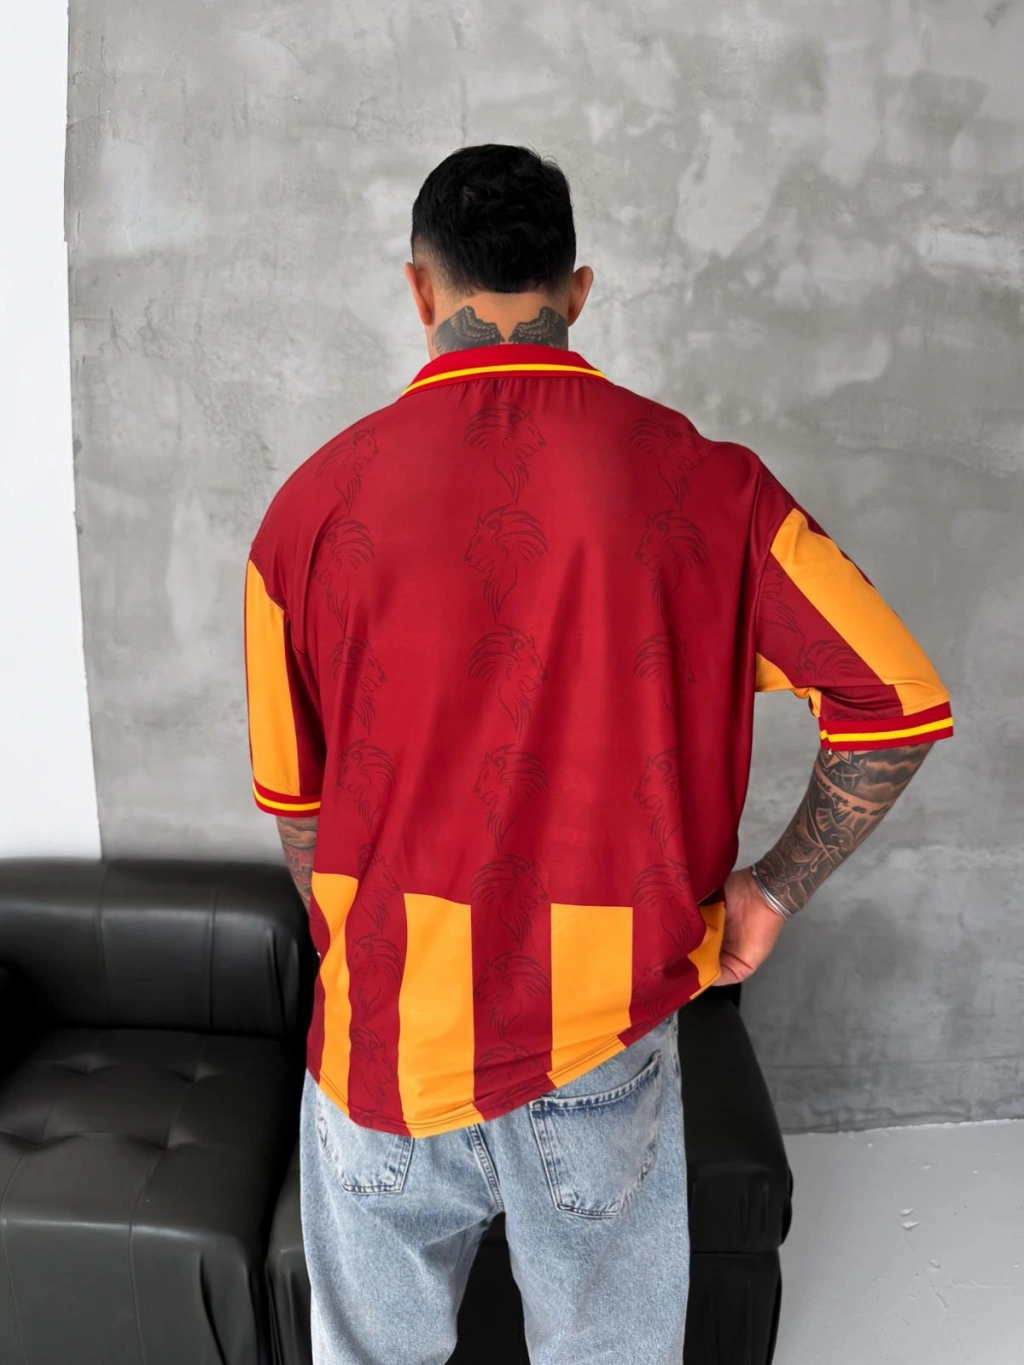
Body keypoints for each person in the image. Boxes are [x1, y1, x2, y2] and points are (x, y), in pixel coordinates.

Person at [242, 144, 953, 1365]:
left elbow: (299, 816)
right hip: (599, 1025)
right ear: (577, 291)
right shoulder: (711, 488)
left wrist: (366, 954)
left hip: (382, 1033)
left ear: (418, 290)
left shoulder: (307, 511)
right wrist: (772, 889)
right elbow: (896, 701)